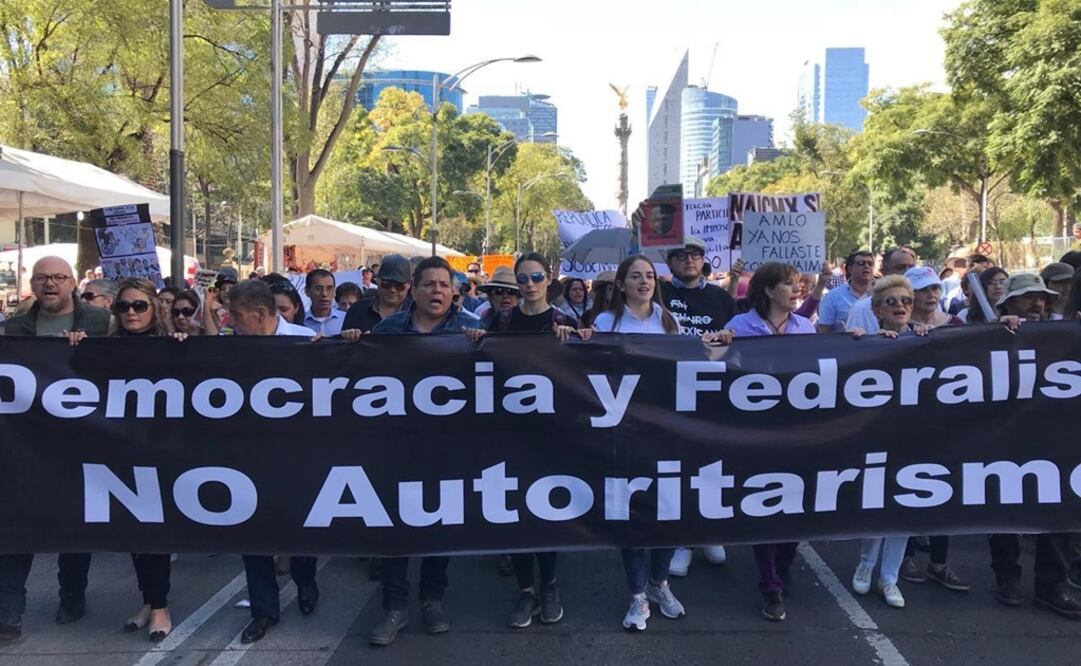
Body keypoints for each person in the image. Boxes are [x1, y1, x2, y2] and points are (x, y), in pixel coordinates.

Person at [368, 257, 481, 647]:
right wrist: (346, 344)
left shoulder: (472, 330)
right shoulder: (387, 330)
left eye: (444, 285)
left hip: (448, 446)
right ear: (413, 290)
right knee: (396, 528)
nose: (437, 291)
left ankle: (433, 599)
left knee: (440, 524)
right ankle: (393, 608)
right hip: (397, 444)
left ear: (454, 292)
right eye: (429, 284)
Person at [0, 257, 111, 645]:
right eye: (43, 278)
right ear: (32, 283)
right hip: (26, 443)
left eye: (59, 278)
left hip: (81, 440)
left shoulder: (100, 324)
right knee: (19, 524)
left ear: (74, 283)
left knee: (72, 522)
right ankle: (8, 615)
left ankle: (72, 595)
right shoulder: (14, 328)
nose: (51, 284)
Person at [589, 255, 686, 631]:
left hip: (664, 428)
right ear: (622, 283)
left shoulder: (669, 320)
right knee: (629, 510)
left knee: (666, 508)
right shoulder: (605, 322)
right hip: (624, 427)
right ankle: (636, 595)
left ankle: (659, 582)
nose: (644, 282)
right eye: (635, 276)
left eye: (649, 276)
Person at [223, 280, 321, 643]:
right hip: (247, 453)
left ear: (261, 315)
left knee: (300, 527)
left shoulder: (305, 341)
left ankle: (306, 579)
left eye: (236, 315)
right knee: (253, 531)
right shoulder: (226, 349)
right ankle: (264, 610)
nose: (231, 322)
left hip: (296, 453)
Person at [723, 262, 815, 622]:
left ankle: (784, 562)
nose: (796, 290)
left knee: (795, 503)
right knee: (764, 502)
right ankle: (770, 583)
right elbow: (715, 366)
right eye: (788, 284)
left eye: (798, 284)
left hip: (797, 428)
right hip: (755, 429)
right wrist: (718, 345)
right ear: (766, 290)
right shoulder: (739, 327)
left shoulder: (805, 327)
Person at [988, 273, 1080, 618]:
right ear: (1009, 303)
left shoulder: (1064, 333)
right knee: (1005, 507)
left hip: (1055, 440)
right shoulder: (990, 334)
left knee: (1059, 507)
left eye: (1042, 297)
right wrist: (998, 332)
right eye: (1027, 297)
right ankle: (1007, 576)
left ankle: (1052, 585)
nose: (1037, 303)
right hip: (1006, 438)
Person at [848, 275, 932, 610]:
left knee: (906, 508)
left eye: (906, 301)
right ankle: (866, 564)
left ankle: (890, 577)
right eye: (892, 302)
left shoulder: (927, 338)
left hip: (916, 435)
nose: (900, 306)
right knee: (877, 503)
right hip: (877, 434)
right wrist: (859, 341)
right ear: (877, 309)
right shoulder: (866, 340)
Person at [659, 238, 736, 574]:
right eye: (681, 256)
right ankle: (682, 539)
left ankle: (709, 530)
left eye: (695, 255)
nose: (689, 260)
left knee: (712, 465)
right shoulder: (659, 295)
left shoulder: (722, 298)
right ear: (670, 262)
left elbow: (738, 343)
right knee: (677, 468)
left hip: (711, 392)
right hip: (668, 393)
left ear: (704, 261)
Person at [845, 247, 917, 333]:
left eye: (905, 300)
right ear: (884, 271)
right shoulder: (862, 309)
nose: (908, 272)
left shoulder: (928, 302)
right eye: (900, 267)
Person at [341, 254, 412, 338]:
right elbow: (342, 346)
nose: (392, 290)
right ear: (377, 280)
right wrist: (349, 338)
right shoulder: (357, 310)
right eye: (386, 284)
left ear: (409, 284)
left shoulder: (417, 314)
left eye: (399, 286)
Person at [817, 250, 874, 332]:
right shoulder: (832, 297)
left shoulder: (883, 295)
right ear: (850, 269)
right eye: (861, 263)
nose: (867, 266)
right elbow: (824, 332)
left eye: (870, 264)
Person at [303, 268, 345, 335]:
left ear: (334, 292)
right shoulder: (299, 322)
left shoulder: (345, 319)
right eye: (318, 289)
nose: (324, 294)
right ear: (307, 291)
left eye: (329, 289)